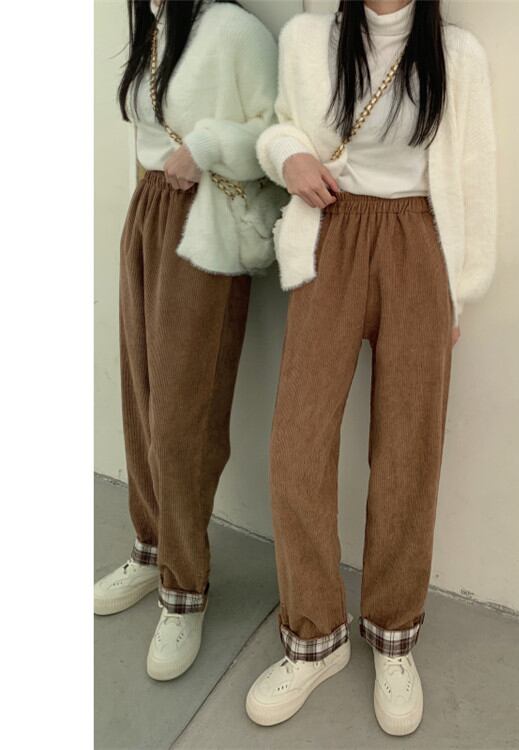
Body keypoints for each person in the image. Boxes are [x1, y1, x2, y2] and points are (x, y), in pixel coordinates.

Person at [246, 0, 497, 735]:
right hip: (333, 233)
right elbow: (280, 126)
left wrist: (457, 292)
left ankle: (392, 636)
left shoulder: (456, 54)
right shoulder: (307, 38)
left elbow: (474, 176)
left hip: (421, 244)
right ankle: (314, 638)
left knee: (408, 454)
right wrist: (288, 157)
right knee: (297, 446)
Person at [94, 0, 281, 681]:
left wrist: (203, 148)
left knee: (184, 418)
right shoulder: (149, 28)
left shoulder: (234, 30)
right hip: (147, 212)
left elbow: (277, 136)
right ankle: (151, 548)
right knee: (142, 395)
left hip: (207, 227)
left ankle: (185, 588)